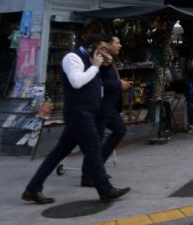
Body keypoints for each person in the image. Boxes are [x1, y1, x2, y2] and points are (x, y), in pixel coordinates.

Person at [23, 33, 129, 204]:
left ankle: (32, 189)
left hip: (86, 113)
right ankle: (105, 189)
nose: (104, 51)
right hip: (79, 113)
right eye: (101, 48)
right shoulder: (72, 58)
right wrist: (95, 66)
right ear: (90, 46)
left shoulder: (93, 60)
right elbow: (77, 82)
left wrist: (105, 65)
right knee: (94, 148)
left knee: (58, 154)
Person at [80, 34, 129, 186]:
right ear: (107, 44)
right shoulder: (100, 61)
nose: (120, 45)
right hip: (101, 107)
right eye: (117, 42)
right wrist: (118, 84)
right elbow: (100, 83)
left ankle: (97, 167)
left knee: (120, 130)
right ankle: (88, 176)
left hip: (110, 108)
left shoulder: (108, 60)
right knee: (95, 141)